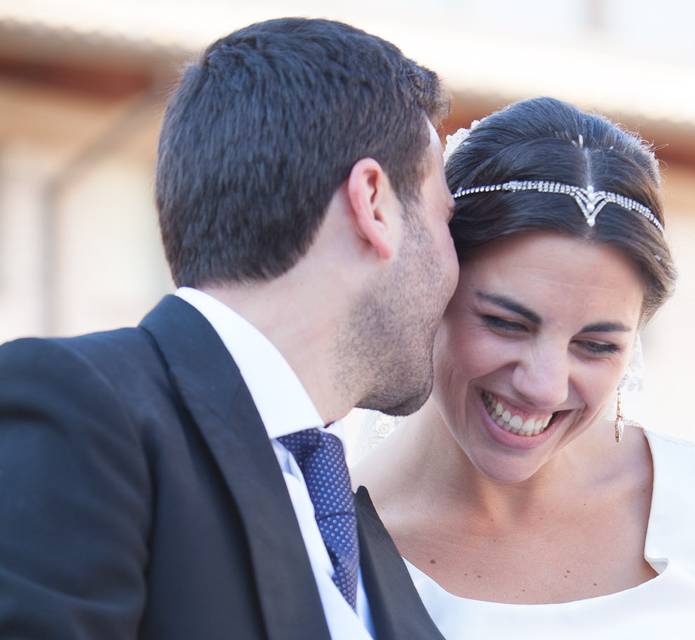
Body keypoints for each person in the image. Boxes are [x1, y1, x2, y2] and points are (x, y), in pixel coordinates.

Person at [0, 18, 455, 640]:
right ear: (374, 203)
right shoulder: (80, 412)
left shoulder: (350, 515)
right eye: (444, 218)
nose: (457, 270)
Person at [353, 97, 695, 639]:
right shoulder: (327, 536)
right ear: (432, 288)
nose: (544, 385)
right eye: (506, 323)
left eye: (596, 345)